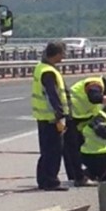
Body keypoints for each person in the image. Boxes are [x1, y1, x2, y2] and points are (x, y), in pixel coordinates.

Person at [63, 76, 106, 186]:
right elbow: (94, 98)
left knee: (74, 148)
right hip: (70, 115)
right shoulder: (95, 84)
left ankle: (79, 176)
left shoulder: (100, 111)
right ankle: (76, 177)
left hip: (77, 118)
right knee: (70, 149)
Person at [31, 41, 70, 191]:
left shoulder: (42, 67)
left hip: (44, 117)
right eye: (63, 54)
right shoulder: (48, 72)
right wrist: (59, 115)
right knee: (53, 151)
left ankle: (43, 180)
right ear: (57, 54)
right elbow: (52, 95)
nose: (64, 57)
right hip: (51, 118)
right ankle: (51, 181)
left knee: (46, 151)